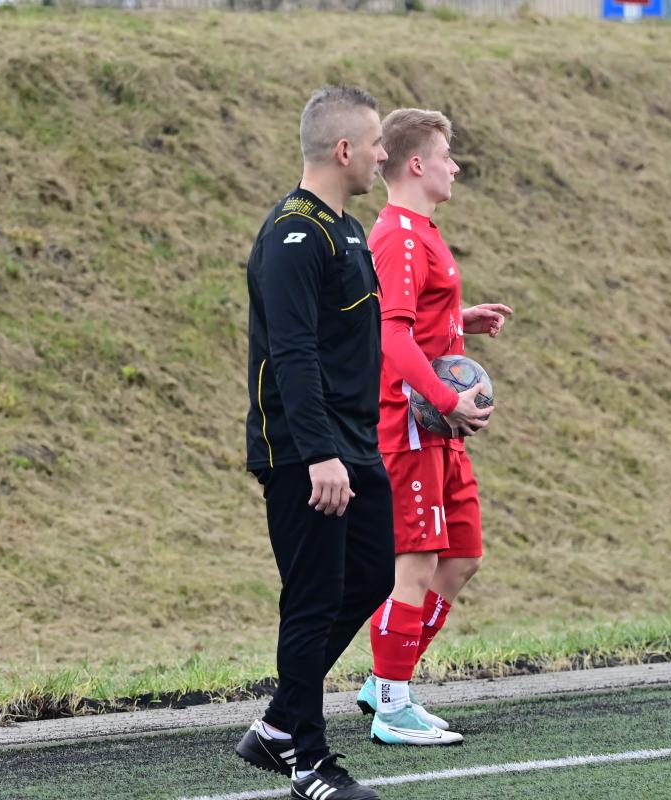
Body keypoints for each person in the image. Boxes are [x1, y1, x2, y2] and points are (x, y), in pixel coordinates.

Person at [235, 86, 391, 800]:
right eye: (377, 143)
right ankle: (310, 764)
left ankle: (278, 724)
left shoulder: (347, 230)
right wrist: (320, 453)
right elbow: (293, 353)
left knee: (373, 574)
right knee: (313, 598)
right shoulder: (293, 234)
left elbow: (359, 341)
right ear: (344, 149)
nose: (384, 155)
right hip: (307, 452)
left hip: (356, 444)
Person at [357, 108, 512, 746]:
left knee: (463, 556)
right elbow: (390, 336)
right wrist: (447, 400)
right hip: (412, 426)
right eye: (446, 155)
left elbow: (414, 319)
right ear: (417, 164)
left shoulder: (420, 230)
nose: (455, 166)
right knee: (415, 567)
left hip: (438, 429)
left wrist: (457, 320)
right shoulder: (397, 235)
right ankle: (393, 706)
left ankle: (385, 683)